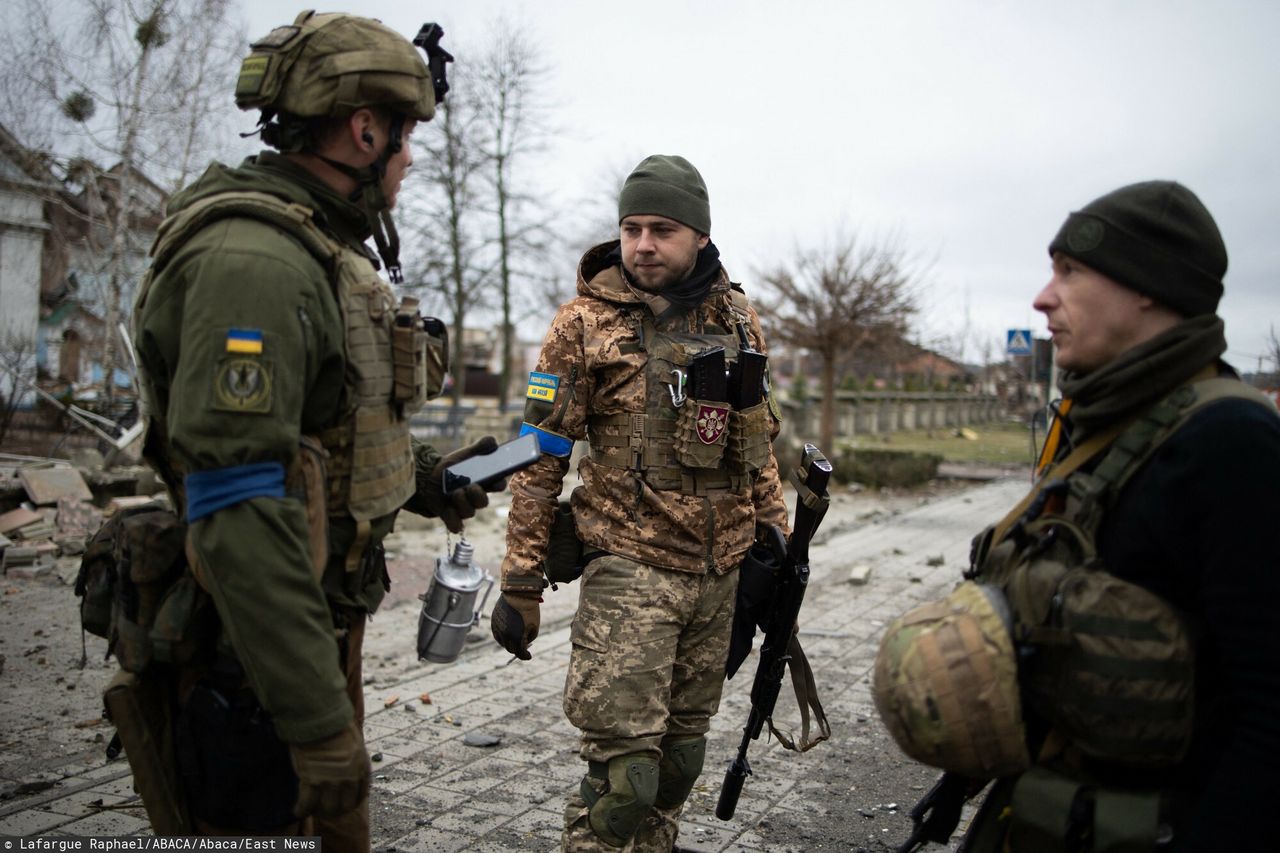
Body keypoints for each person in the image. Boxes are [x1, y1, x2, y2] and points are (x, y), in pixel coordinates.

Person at [129, 12, 501, 849]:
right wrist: (318, 722)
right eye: (404, 137)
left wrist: (422, 475)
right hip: (251, 655)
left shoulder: (321, 252)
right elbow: (236, 507)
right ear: (365, 131)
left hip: (304, 636)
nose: (408, 160)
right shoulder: (253, 265)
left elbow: (317, 441)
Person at [874, 181, 1280, 852]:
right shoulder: (1107, 424)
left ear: (1146, 285)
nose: (1043, 297)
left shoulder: (1231, 443)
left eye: (1069, 271)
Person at [490, 155, 790, 850]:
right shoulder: (584, 325)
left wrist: (775, 538)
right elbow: (539, 458)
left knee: (679, 764)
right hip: (630, 573)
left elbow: (756, 445)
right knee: (622, 783)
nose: (643, 244)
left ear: (699, 238)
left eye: (662, 228)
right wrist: (521, 579)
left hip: (720, 578)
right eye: (632, 228)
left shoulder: (739, 319)